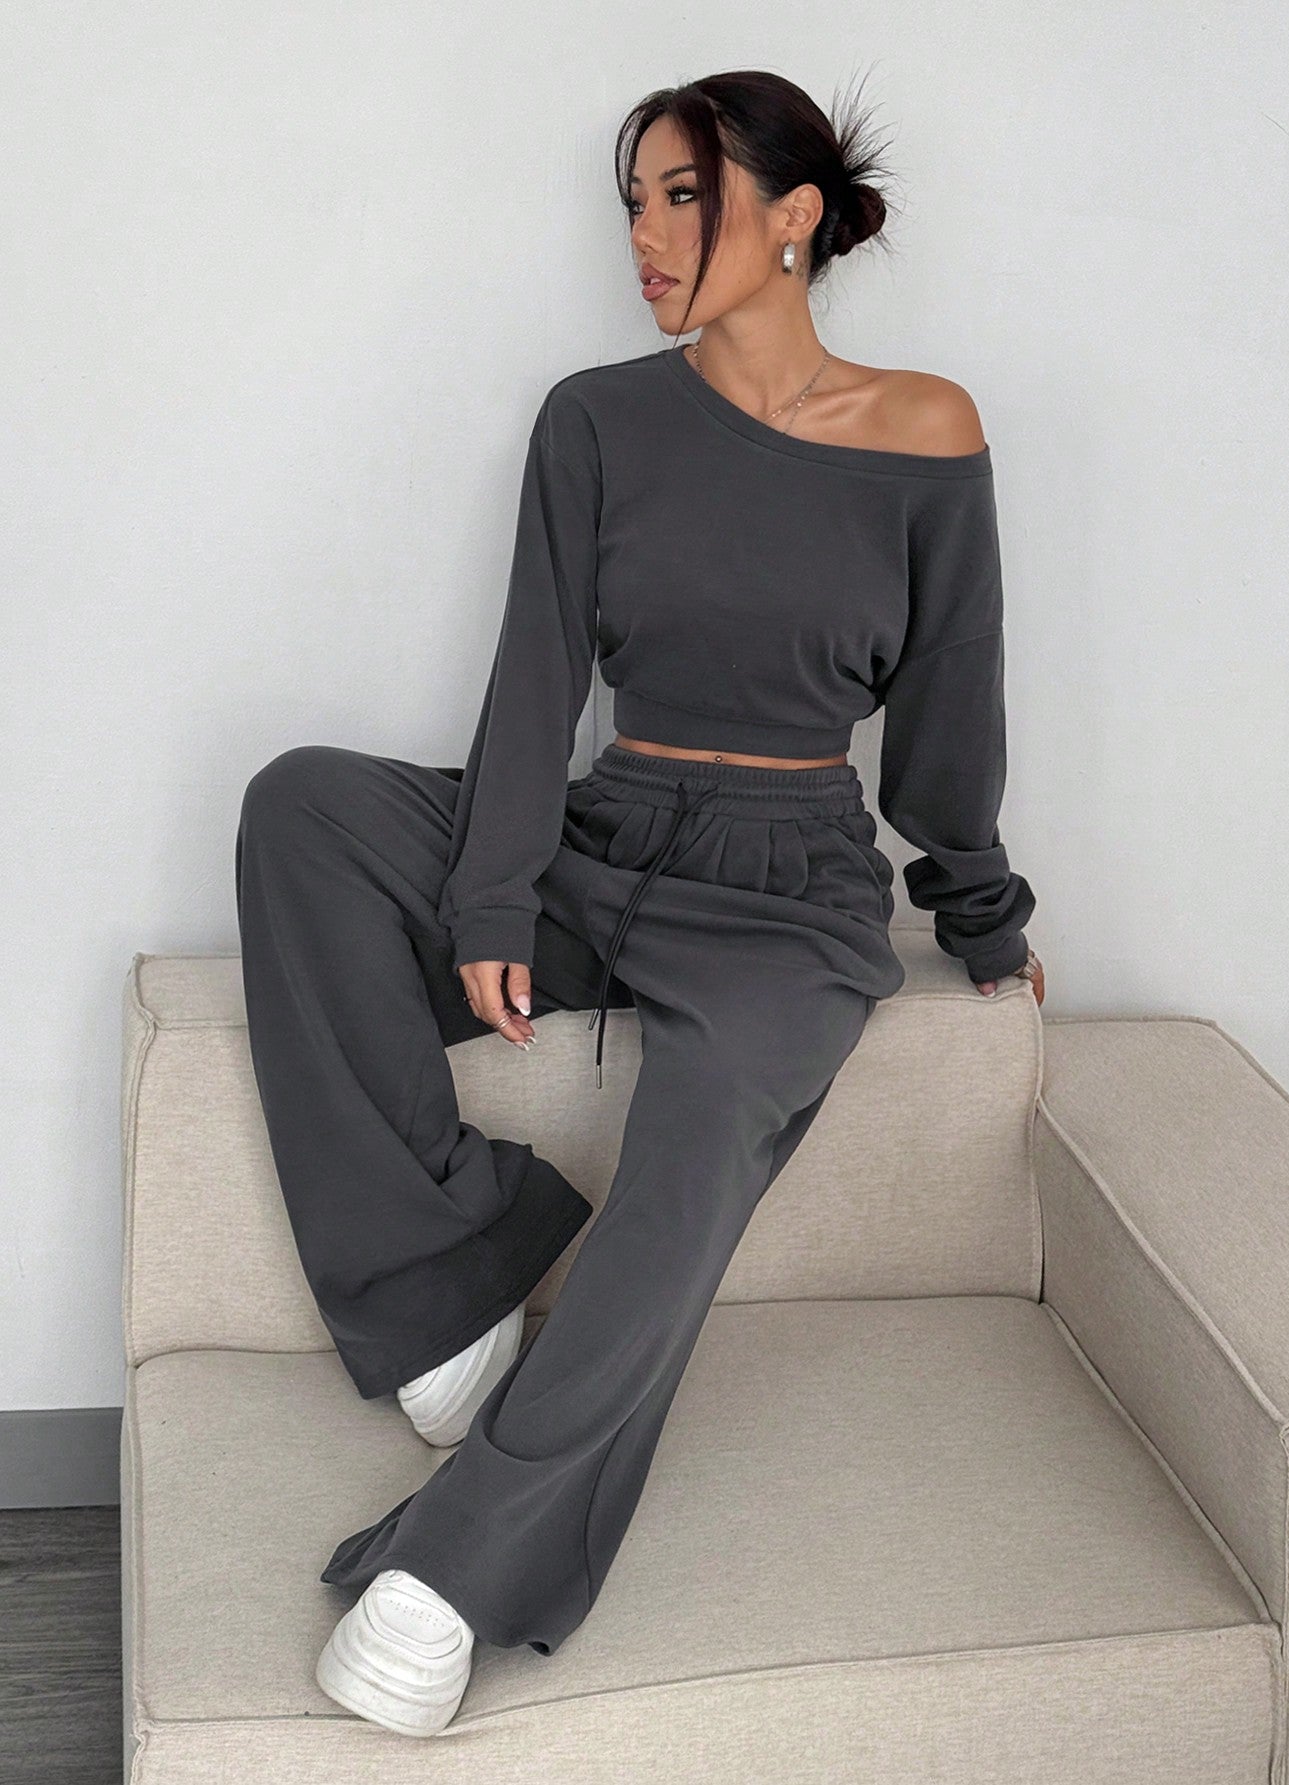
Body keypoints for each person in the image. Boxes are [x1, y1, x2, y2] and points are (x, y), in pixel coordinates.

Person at [233, 68, 1044, 1740]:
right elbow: (535, 680)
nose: (646, 236)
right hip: (605, 836)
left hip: (790, 892)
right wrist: (491, 891)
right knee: (304, 805)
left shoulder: (927, 433)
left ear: (795, 216)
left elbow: (949, 723)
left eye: (684, 196)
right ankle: (442, 1282)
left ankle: (452, 1572)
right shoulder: (594, 419)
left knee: (695, 1147)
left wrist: (981, 921)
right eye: (636, 203)